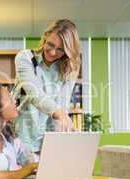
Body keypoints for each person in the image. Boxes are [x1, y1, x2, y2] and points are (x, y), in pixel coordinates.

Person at [13, 19, 81, 153]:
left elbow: (62, 103)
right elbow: (34, 93)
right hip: (20, 135)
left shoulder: (69, 69)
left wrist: (63, 129)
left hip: (46, 139)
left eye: (60, 50)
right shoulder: (25, 58)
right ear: (45, 37)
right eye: (50, 44)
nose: (53, 52)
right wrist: (60, 114)